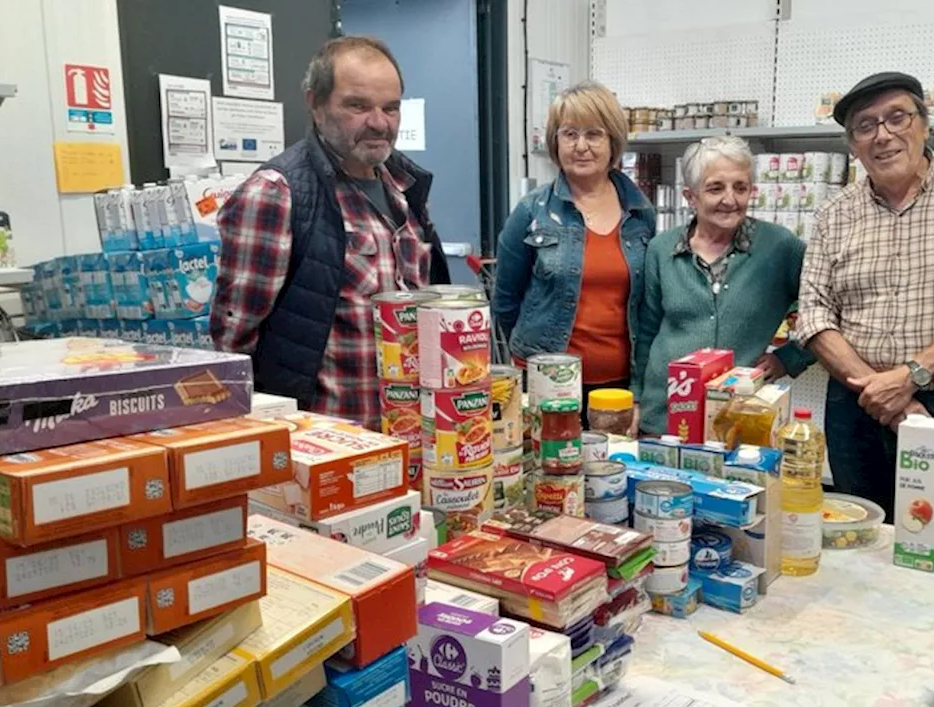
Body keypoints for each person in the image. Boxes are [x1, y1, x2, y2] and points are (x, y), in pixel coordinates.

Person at [794, 72, 934, 535]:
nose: (883, 134)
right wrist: (880, 393)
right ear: (852, 144)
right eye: (865, 125)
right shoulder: (834, 213)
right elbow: (813, 312)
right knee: (858, 539)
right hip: (854, 407)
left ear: (925, 125)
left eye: (897, 117)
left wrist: (910, 377)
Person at [211, 36, 451, 428]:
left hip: (414, 434)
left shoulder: (406, 187)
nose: (379, 122)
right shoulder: (277, 192)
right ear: (315, 104)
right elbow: (234, 340)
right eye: (357, 106)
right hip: (330, 443)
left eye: (390, 108)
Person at [491, 81, 656, 421]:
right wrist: (532, 359)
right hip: (544, 383)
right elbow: (505, 300)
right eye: (569, 134)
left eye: (594, 134)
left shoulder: (641, 214)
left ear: (613, 142)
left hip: (618, 385)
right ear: (556, 142)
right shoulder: (530, 212)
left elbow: (648, 307)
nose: (581, 146)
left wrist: (640, 390)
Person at [633, 136, 813, 436]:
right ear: (690, 196)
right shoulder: (661, 249)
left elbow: (831, 308)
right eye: (715, 188)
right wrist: (637, 400)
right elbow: (646, 333)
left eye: (740, 187)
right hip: (664, 415)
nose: (730, 199)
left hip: (739, 419)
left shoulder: (780, 248)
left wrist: (790, 358)